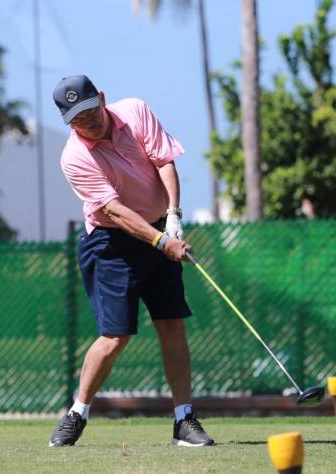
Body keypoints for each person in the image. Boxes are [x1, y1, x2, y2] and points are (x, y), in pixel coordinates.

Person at [48, 75, 214, 448]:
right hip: (110, 244)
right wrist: (161, 242)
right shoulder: (74, 158)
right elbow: (115, 211)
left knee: (172, 325)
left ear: (101, 98)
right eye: (77, 120)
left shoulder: (136, 112)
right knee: (115, 337)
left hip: (159, 228)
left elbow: (164, 161)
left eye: (90, 111)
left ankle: (184, 421)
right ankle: (78, 412)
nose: (87, 124)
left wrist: (173, 216)